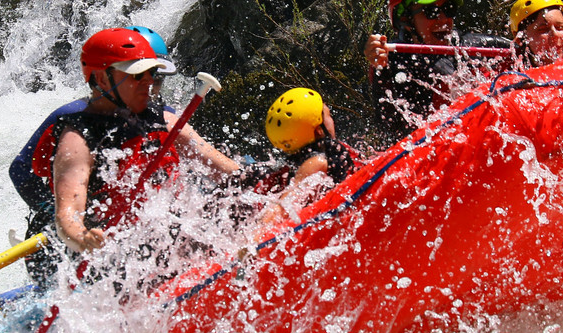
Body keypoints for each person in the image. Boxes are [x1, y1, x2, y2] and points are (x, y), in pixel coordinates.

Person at [26, 28, 239, 291]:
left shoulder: (165, 119)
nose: (149, 81)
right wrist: (83, 238)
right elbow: (67, 216)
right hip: (111, 260)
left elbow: (227, 171)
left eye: (152, 73)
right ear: (103, 79)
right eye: (137, 74)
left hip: (168, 239)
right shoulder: (78, 140)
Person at [365, 0, 509, 144]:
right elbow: (387, 127)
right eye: (431, 12)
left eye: (448, 9)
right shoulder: (395, 60)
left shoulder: (466, 44)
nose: (443, 19)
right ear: (406, 20)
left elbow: (518, 51)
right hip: (430, 149)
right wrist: (381, 68)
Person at [259, 87, 361, 225]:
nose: (332, 120)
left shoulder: (302, 159)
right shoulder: (317, 162)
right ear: (319, 130)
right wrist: (253, 241)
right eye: (328, 115)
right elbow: (281, 208)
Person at [508, 0, 563, 67]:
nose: (555, 35)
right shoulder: (511, 75)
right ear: (519, 38)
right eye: (543, 29)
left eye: (560, 28)